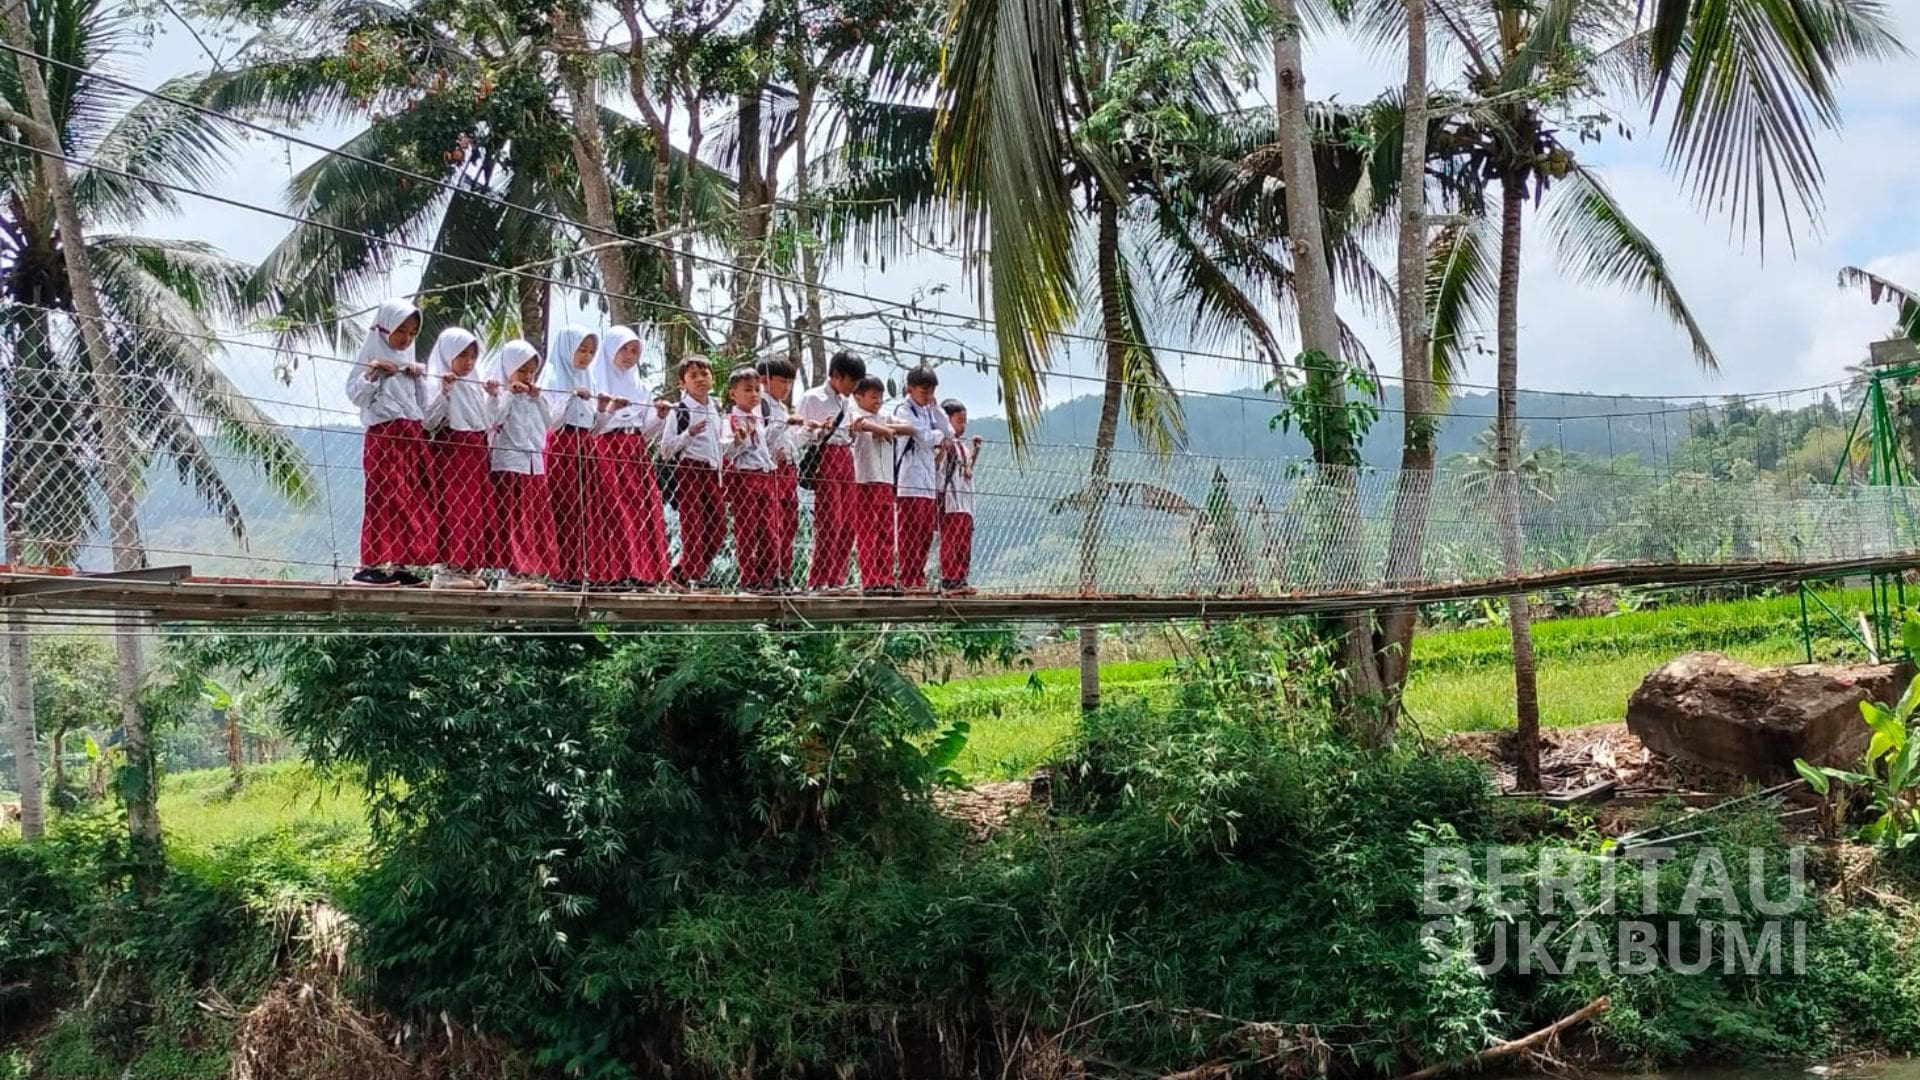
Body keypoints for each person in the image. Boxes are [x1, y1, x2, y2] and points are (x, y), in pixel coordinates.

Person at [346, 299, 431, 587]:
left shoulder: (410, 367)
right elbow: (356, 395)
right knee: (382, 499)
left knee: (410, 498)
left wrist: (419, 377)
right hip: (384, 437)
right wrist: (373, 371)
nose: (406, 338)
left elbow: (425, 406)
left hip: (411, 436)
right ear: (383, 330)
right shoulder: (370, 361)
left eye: (411, 333)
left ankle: (400, 563)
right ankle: (368, 564)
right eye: (400, 330)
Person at [592, 326, 672, 590]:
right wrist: (611, 408)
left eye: (634, 350)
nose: (629, 355)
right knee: (614, 509)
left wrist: (659, 416)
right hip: (607, 449)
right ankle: (615, 572)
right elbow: (593, 425)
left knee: (640, 509)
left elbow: (646, 430)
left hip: (635, 450)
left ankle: (642, 571)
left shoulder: (639, 386)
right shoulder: (596, 381)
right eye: (623, 349)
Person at [420, 325, 490, 590]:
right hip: (451, 453)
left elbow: (487, 420)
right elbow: (428, 421)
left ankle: (468, 567)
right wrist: (445, 391)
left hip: (475, 453)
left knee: (474, 510)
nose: (468, 362)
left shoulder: (474, 385)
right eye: (462, 356)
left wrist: (493, 397)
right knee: (453, 510)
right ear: (447, 355)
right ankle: (446, 569)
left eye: (473, 356)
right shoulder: (435, 382)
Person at [487, 340, 560, 591]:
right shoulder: (500, 395)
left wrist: (537, 399)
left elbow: (550, 424)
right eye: (522, 370)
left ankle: (527, 571)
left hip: (533, 465)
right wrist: (508, 393)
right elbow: (494, 420)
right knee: (512, 520)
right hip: (510, 464)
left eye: (531, 371)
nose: (527, 376)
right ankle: (509, 574)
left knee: (530, 520)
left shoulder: (533, 398)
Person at [794, 351, 864, 592]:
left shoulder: (846, 402)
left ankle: (836, 579)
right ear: (836, 375)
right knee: (830, 520)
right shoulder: (813, 398)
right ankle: (818, 580)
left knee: (848, 523)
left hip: (846, 456)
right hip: (826, 456)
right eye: (851, 381)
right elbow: (797, 435)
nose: (853, 387)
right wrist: (817, 431)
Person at [541, 323, 602, 589]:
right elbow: (549, 421)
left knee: (584, 510)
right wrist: (570, 396)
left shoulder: (589, 378)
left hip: (585, 446)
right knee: (561, 507)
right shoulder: (553, 377)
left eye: (590, 352)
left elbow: (595, 422)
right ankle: (558, 571)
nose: (585, 357)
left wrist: (603, 407)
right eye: (581, 350)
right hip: (561, 445)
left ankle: (580, 570)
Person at [661, 355, 725, 589]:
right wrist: (689, 433)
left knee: (718, 526)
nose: (700, 379)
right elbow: (666, 449)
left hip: (712, 471)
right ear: (682, 383)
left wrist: (736, 441)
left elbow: (719, 444)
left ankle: (684, 571)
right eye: (693, 376)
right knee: (693, 524)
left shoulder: (716, 407)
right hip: (689, 470)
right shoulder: (680, 409)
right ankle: (691, 576)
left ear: (713, 378)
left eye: (705, 374)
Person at [847, 375, 912, 596]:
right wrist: (882, 430)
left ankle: (885, 579)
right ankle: (870, 580)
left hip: (886, 480)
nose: (878, 401)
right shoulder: (855, 413)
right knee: (867, 531)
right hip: (865, 479)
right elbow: (861, 425)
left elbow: (909, 428)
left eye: (881, 396)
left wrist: (886, 427)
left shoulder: (884, 416)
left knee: (886, 531)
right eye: (873, 396)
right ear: (859, 397)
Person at [891, 366, 953, 593]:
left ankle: (918, 577)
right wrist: (937, 437)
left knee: (926, 532)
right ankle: (908, 579)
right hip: (909, 480)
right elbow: (926, 438)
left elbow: (948, 432)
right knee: (910, 533)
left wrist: (936, 410)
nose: (927, 397)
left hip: (928, 481)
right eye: (923, 392)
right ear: (910, 388)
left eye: (930, 393)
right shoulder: (904, 410)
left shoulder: (928, 410)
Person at [721, 367, 780, 593]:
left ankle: (767, 576)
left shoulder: (759, 418)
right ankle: (749, 577)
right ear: (733, 394)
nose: (754, 395)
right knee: (747, 529)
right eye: (748, 390)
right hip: (745, 477)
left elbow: (764, 447)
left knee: (768, 530)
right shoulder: (731, 419)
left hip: (765, 475)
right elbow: (726, 450)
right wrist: (740, 440)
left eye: (757, 390)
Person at [755, 358, 801, 591]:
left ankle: (784, 573)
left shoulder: (781, 407)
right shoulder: (759, 403)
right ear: (765, 380)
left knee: (789, 523)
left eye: (789, 383)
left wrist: (811, 432)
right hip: (770, 470)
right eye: (782, 381)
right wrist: (784, 424)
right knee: (772, 525)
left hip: (788, 469)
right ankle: (767, 575)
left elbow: (791, 441)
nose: (786, 388)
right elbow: (760, 437)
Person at [938, 399, 982, 595]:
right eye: (958, 421)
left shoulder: (961, 446)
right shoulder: (945, 443)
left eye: (964, 421)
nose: (962, 425)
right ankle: (950, 578)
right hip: (951, 500)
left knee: (964, 541)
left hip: (965, 501)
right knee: (952, 540)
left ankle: (961, 577)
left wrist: (975, 453)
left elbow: (965, 469)